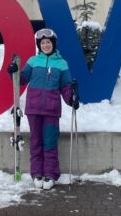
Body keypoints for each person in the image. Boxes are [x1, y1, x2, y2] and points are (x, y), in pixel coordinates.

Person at [7, 27, 78, 190]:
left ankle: (51, 174)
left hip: (51, 110)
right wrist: (13, 72)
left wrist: (71, 98)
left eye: (48, 42)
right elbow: (22, 79)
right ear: (39, 45)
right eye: (43, 43)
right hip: (34, 109)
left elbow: (66, 86)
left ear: (53, 44)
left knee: (50, 143)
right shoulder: (33, 61)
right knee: (36, 142)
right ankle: (36, 173)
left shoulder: (61, 64)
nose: (46, 45)